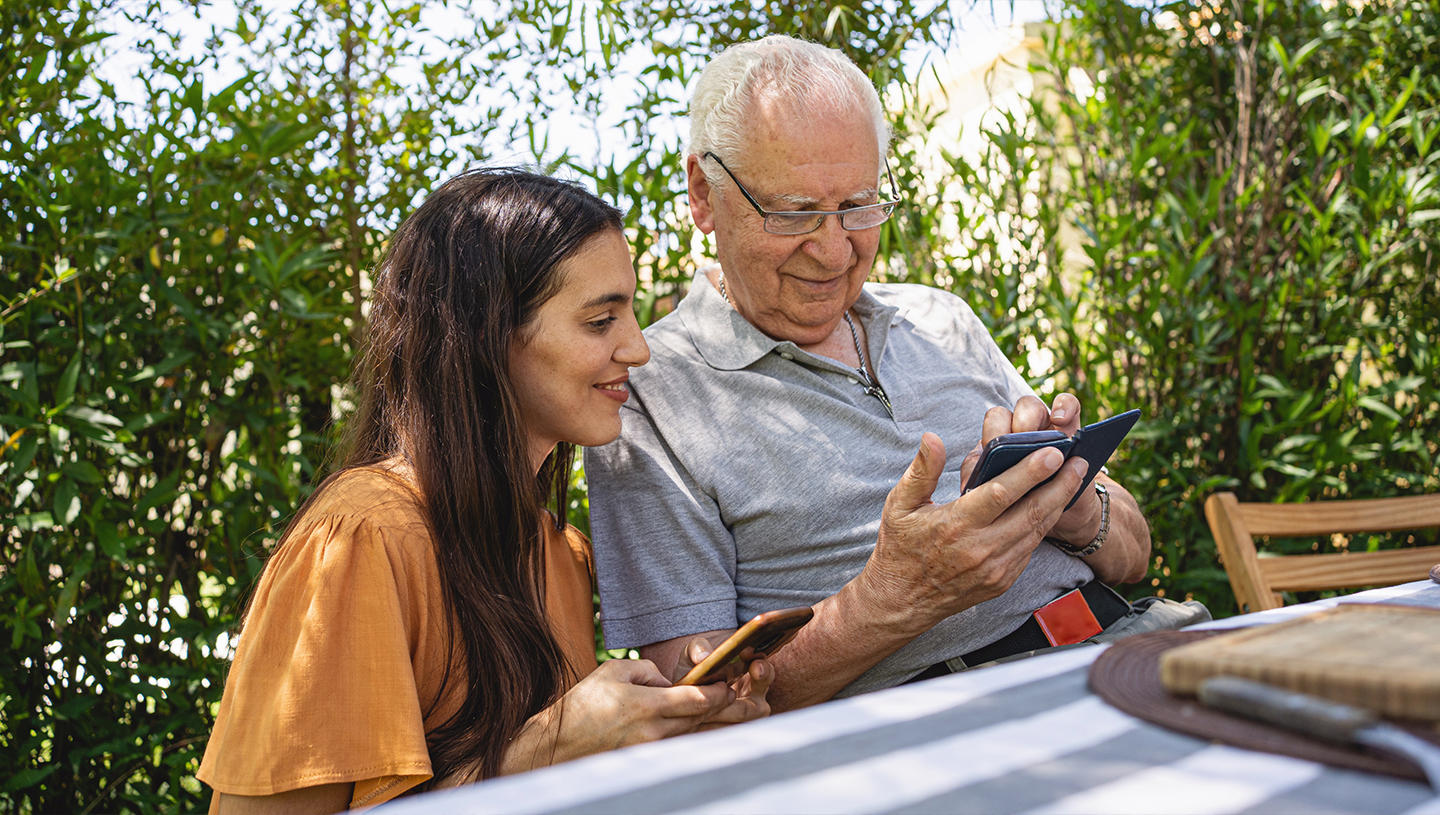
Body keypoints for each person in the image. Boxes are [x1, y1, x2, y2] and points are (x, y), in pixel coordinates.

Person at [585, 35, 1202, 713]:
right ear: (704, 194)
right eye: (793, 212)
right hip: (955, 720)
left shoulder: (942, 317)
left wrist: (1073, 509)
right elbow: (698, 710)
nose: (831, 250)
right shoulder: (651, 393)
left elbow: (1134, 552)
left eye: (857, 206)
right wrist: (895, 597)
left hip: (1130, 639)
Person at [198, 168, 773, 813]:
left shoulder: (560, 554)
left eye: (631, 315)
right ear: (488, 337)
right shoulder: (363, 537)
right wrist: (547, 749)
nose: (638, 349)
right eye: (599, 321)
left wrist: (663, 732)